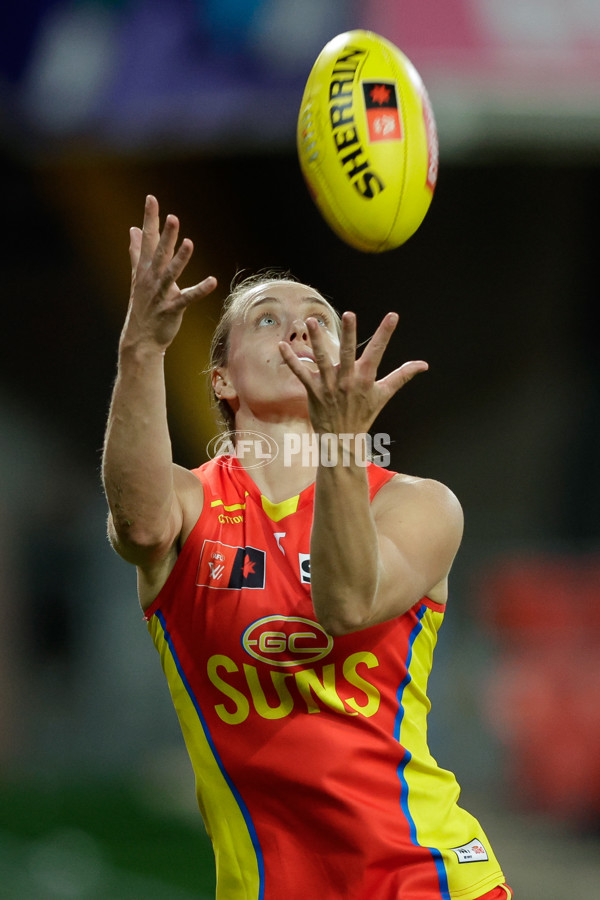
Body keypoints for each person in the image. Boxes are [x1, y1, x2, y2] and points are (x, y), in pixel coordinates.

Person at [102, 195, 512, 900]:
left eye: (319, 320)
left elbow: (346, 603)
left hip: (427, 879)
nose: (298, 327)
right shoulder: (191, 504)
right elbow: (138, 526)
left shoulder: (416, 503)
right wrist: (141, 349)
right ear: (222, 379)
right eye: (268, 320)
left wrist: (344, 444)